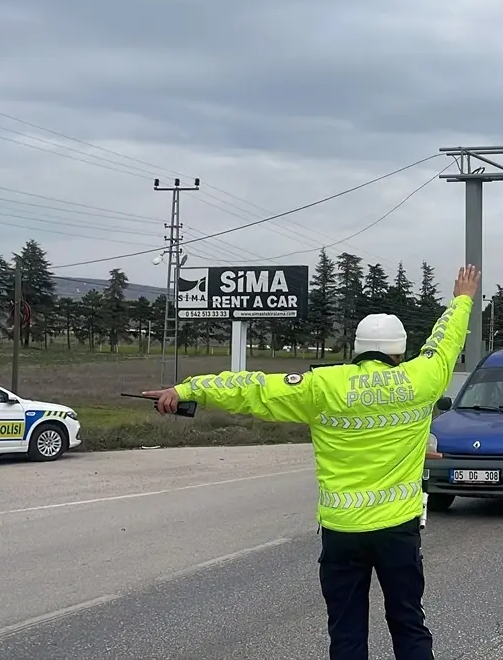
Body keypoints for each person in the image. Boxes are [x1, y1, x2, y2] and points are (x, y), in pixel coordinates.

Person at [144, 264, 481, 660]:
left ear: (357, 348)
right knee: (409, 623)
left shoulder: (323, 385)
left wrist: (187, 389)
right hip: (398, 531)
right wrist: (462, 300)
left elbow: (252, 388)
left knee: (347, 633)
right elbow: (443, 341)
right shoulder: (422, 379)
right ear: (399, 351)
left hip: (342, 533)